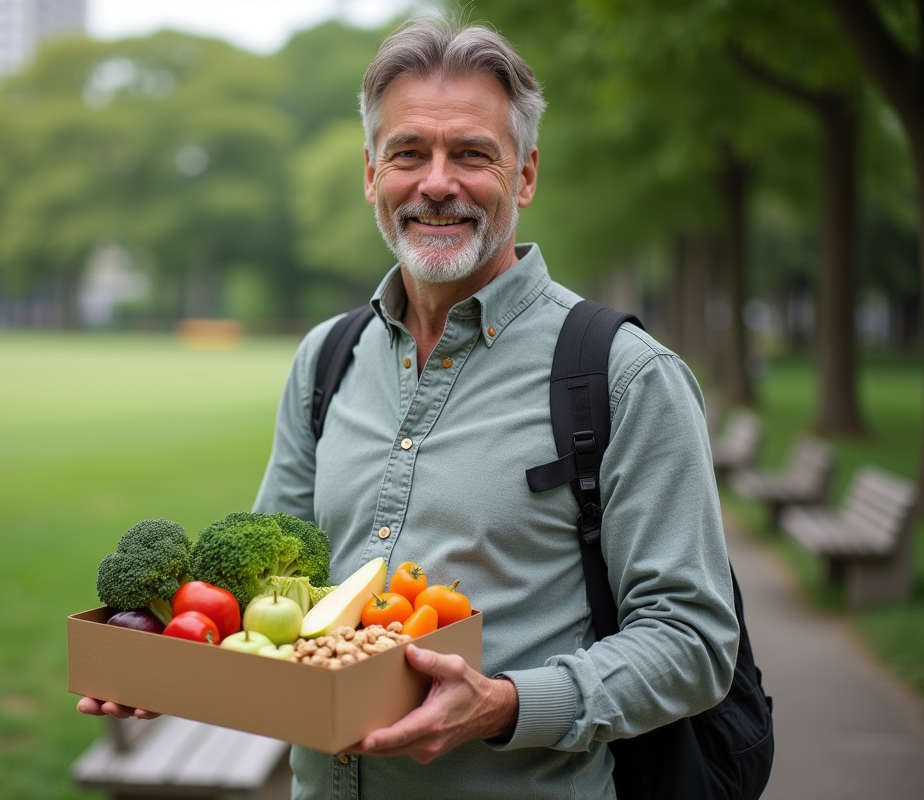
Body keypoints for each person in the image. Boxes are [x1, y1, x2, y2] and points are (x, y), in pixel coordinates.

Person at [80, 17, 740, 799]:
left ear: (524, 176)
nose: (436, 183)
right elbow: (260, 594)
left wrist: (506, 705)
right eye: (407, 153)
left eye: (471, 154)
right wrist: (175, 662)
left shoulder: (624, 377)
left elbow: (693, 642)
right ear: (371, 173)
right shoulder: (327, 359)